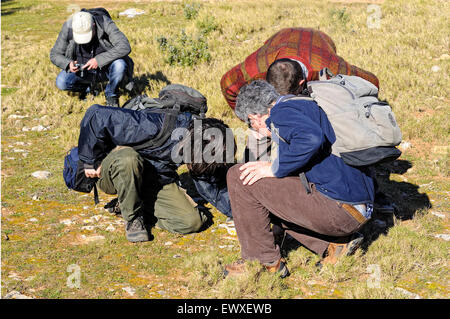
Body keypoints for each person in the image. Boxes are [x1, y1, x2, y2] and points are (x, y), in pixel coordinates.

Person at [224, 80, 374, 278]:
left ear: (255, 118)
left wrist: (275, 168)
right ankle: (335, 246)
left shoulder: (280, 114)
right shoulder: (305, 104)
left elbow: (311, 138)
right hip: (358, 208)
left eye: (249, 124)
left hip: (340, 212)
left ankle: (261, 261)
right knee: (265, 194)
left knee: (238, 176)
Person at [77, 90, 234, 243]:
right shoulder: (152, 126)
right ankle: (133, 219)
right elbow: (96, 114)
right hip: (111, 171)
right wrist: (89, 160)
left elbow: (211, 183)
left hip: (155, 177)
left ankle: (132, 203)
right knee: (128, 159)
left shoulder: (201, 142)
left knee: (192, 222)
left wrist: (236, 212)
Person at [220, 27, 379, 110]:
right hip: (280, 37)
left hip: (318, 40)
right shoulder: (256, 67)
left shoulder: (330, 67)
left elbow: (372, 82)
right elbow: (227, 84)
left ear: (303, 81)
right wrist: (247, 116)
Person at [50, 9, 134, 107]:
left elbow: (124, 46)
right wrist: (68, 63)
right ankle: (88, 89)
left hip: (107, 68)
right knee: (61, 82)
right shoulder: (68, 27)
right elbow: (54, 54)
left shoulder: (104, 22)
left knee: (120, 65)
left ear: (93, 25)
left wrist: (98, 60)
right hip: (82, 70)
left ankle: (111, 95)